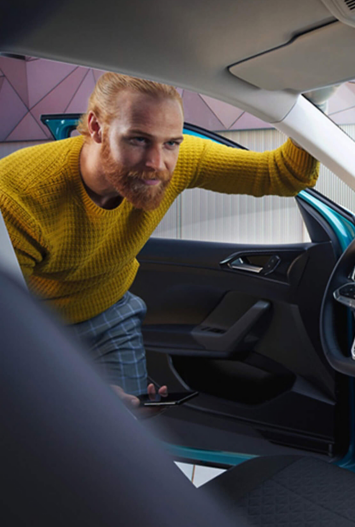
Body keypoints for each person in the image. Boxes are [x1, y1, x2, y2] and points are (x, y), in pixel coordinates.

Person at [0, 73, 319, 411]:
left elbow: (283, 174)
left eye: (171, 143)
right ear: (96, 127)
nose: (157, 165)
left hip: (112, 314)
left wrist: (312, 103)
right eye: (138, 140)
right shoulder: (18, 197)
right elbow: (9, 326)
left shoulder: (177, 160)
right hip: (37, 329)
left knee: (124, 429)